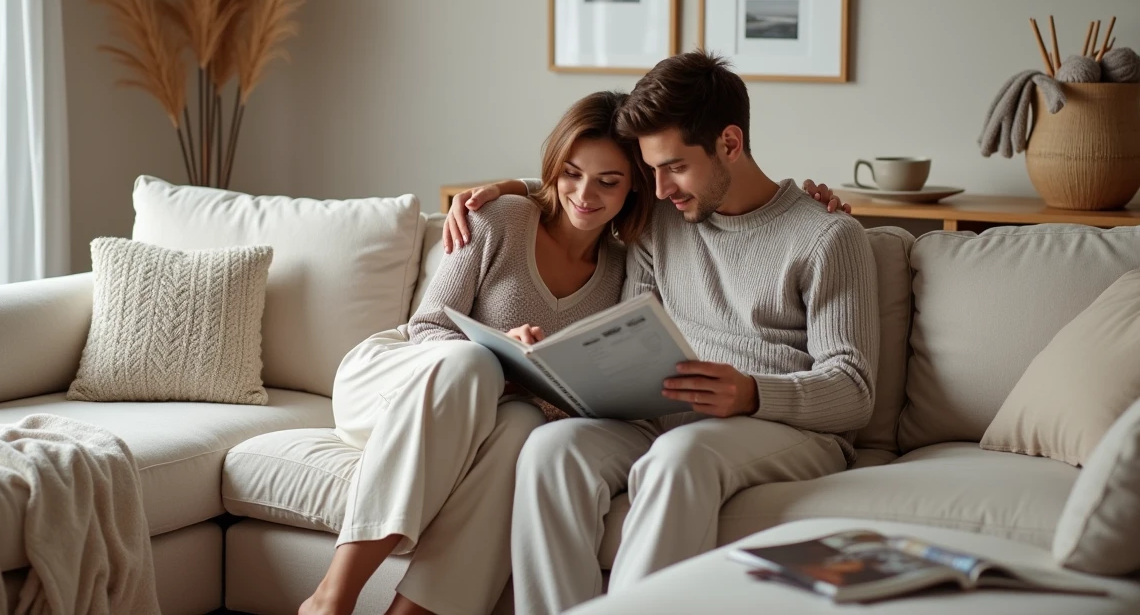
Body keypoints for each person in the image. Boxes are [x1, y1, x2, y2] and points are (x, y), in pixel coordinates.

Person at [444, 50, 877, 615]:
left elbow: (854, 390)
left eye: (673, 167)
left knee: (680, 456)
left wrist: (751, 392)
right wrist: (511, 189)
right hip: (663, 416)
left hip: (780, 425)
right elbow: (588, 200)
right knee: (552, 450)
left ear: (729, 143)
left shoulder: (828, 237)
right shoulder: (663, 219)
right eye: (649, 170)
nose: (659, 186)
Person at [300, 91, 654, 615]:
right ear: (555, 168)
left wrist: (534, 372)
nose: (584, 194)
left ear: (633, 186)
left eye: (608, 181)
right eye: (571, 173)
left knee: (523, 430)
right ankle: (332, 598)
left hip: (492, 412)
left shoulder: (623, 271)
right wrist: (501, 351)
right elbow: (427, 327)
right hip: (394, 383)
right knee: (473, 362)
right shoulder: (500, 218)